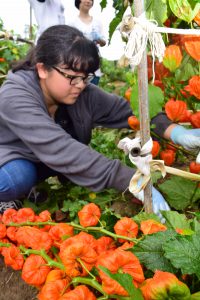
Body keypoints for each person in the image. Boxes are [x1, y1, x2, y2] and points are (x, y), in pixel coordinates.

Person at [0, 25, 199, 217]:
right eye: (71, 77)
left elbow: (130, 112)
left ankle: (27, 190)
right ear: (43, 69)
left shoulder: (80, 92)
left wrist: (176, 132)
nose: (79, 85)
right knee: (16, 177)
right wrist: (130, 179)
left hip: (39, 162)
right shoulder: (15, 96)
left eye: (85, 77)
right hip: (8, 162)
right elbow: (60, 149)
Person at [67, 0, 106, 85]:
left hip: (94, 65)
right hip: (78, 66)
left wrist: (98, 39)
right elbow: (68, 44)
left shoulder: (97, 23)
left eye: (91, 0)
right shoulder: (72, 23)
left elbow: (104, 42)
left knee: (92, 95)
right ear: (78, 1)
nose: (88, 1)